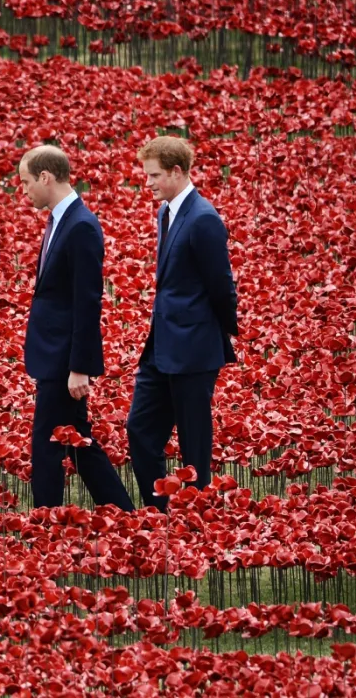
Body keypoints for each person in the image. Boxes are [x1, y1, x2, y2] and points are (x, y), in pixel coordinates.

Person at [18, 146, 134, 511]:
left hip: (63, 358)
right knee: (78, 442)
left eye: (26, 183)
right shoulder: (59, 221)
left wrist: (79, 366)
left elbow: (88, 301)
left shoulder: (81, 225)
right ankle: (126, 515)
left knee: (47, 443)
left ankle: (44, 524)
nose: (24, 192)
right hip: (53, 352)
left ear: (45, 177)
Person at [126, 136, 239, 511]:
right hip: (161, 346)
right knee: (140, 430)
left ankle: (197, 524)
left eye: (155, 175)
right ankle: (159, 513)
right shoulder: (166, 212)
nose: (149, 183)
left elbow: (221, 284)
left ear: (178, 171)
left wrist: (218, 332)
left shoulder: (203, 218)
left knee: (194, 444)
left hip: (193, 348)